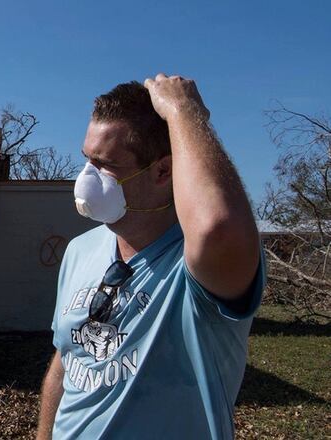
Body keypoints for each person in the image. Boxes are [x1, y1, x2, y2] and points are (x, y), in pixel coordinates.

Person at [36, 74, 265, 439]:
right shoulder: (80, 250)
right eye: (87, 159)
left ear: (163, 171)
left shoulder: (199, 267)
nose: (86, 178)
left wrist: (183, 111)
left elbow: (216, 228)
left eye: (106, 164)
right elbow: (66, 361)